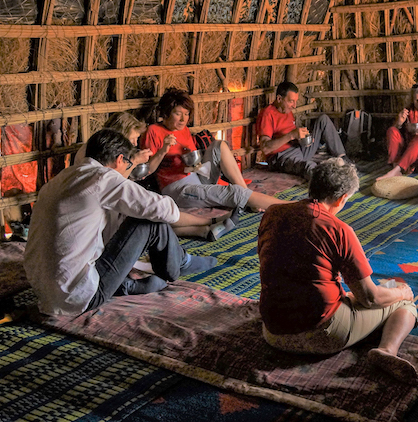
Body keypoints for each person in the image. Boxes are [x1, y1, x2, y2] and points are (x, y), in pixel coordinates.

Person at [24, 129, 219, 316]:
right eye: (128, 165)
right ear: (120, 160)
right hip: (80, 295)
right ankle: (180, 263)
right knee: (151, 221)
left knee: (124, 216)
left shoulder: (61, 179)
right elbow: (164, 210)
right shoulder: (102, 178)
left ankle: (127, 285)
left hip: (44, 292)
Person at [257, 158, 418, 381]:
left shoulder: (273, 213)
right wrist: (401, 292)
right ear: (342, 199)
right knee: (403, 301)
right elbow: (370, 298)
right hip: (320, 335)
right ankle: (387, 350)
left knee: (361, 294)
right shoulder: (338, 230)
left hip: (272, 331)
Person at [75, 112, 230, 240]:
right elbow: (111, 181)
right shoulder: (95, 151)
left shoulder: (109, 147)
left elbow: (125, 177)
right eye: (133, 139)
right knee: (152, 212)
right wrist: (134, 162)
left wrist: (148, 157)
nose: (135, 143)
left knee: (151, 212)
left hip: (110, 199)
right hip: (100, 208)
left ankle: (202, 230)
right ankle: (209, 222)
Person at [142, 88, 283, 214]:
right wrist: (163, 150)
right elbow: (147, 170)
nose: (183, 119)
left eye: (186, 114)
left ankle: (246, 194)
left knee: (219, 145)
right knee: (233, 193)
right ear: (166, 113)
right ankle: (289, 206)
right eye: (178, 114)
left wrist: (195, 167)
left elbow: (191, 163)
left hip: (197, 177)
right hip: (179, 189)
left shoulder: (183, 130)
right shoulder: (153, 131)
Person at [256, 81, 349, 180]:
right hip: (282, 157)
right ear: (279, 99)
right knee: (309, 166)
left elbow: (291, 135)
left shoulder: (287, 111)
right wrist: (291, 135)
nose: (294, 106)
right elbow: (265, 148)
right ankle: (328, 184)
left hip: (299, 149)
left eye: (295, 101)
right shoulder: (267, 114)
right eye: (291, 101)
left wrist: (302, 138)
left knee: (323, 120)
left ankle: (343, 158)